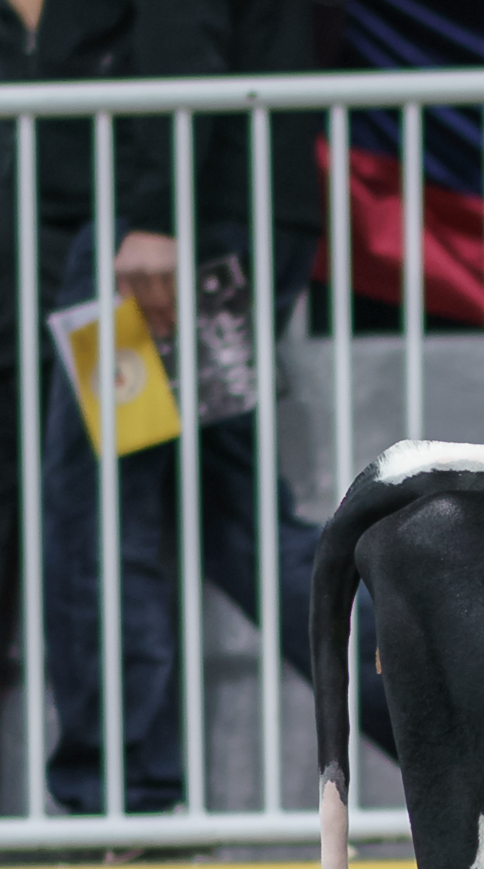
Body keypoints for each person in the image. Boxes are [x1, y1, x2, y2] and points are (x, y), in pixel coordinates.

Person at [31, 0, 389, 816]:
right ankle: (468, 728)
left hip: (163, 226)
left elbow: (181, 23)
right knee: (234, 520)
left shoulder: (158, 213)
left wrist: (158, 214)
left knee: (99, 511)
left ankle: (122, 796)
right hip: (207, 206)